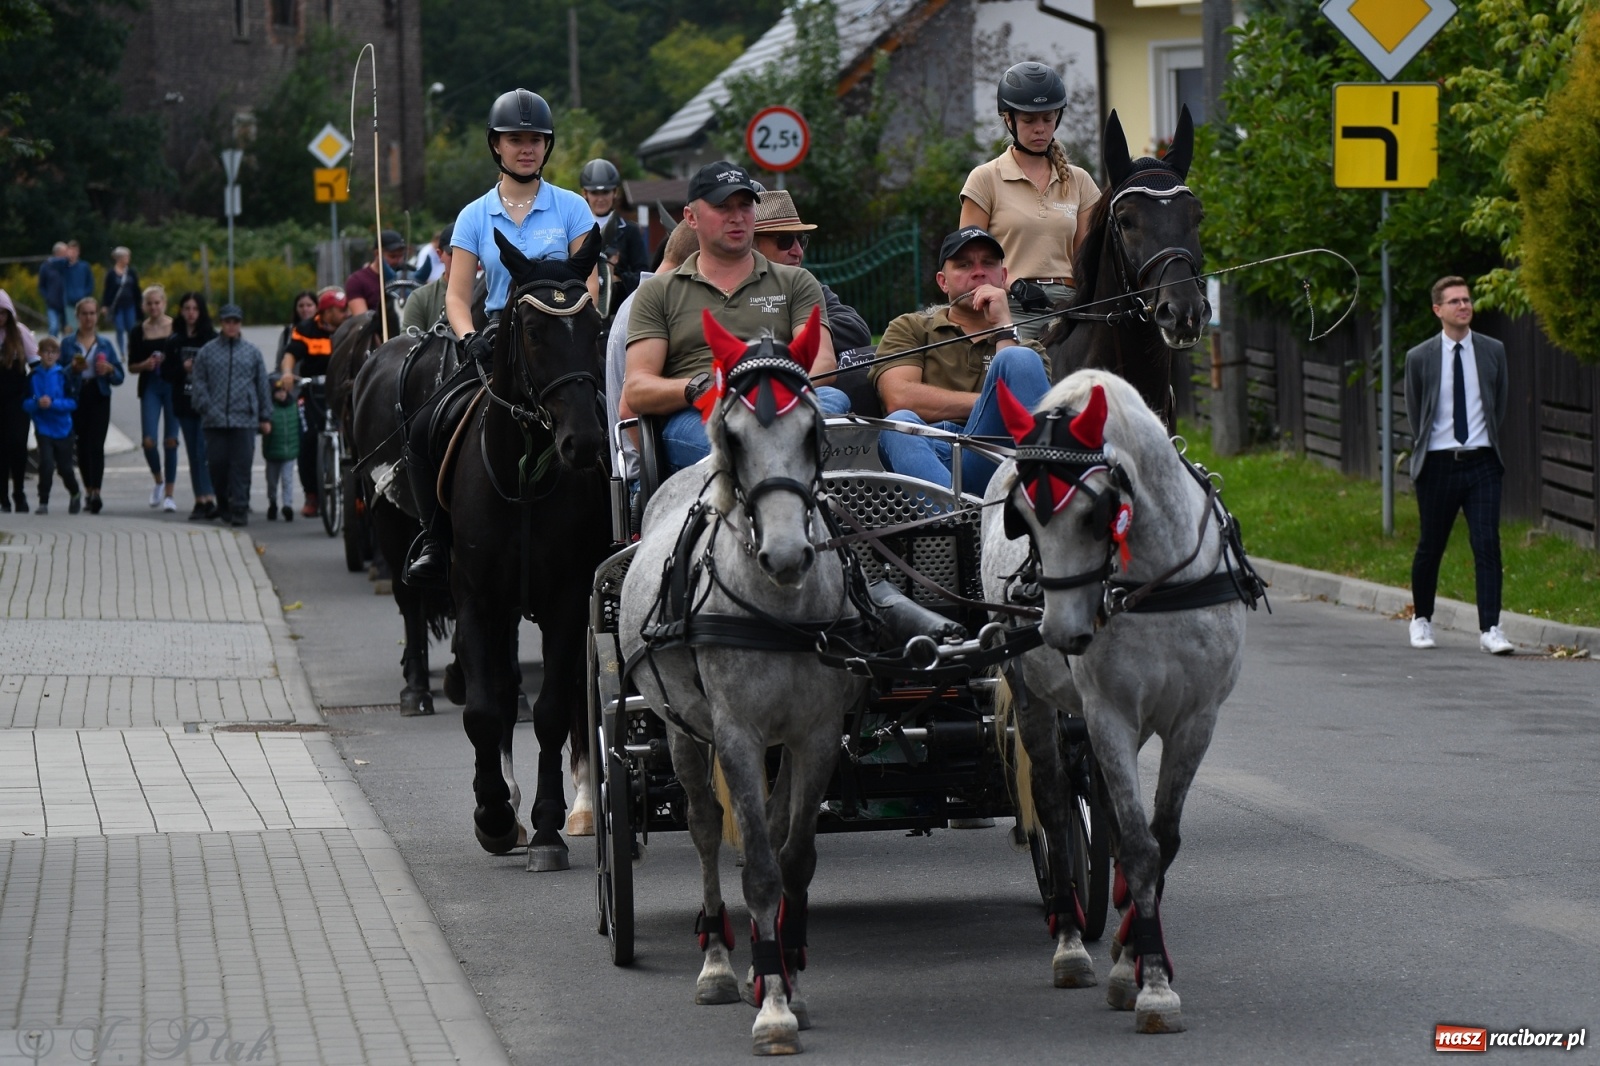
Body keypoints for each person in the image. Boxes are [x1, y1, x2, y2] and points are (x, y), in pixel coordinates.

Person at [403, 87, 598, 587]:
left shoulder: (573, 208)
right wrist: (469, 338)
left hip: (559, 340)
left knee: (607, 421)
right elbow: (456, 295)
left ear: (547, 147)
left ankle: (615, 528)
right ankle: (433, 537)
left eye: (536, 139)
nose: (526, 148)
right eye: (516, 139)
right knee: (426, 424)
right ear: (496, 146)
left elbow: (588, 285)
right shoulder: (473, 215)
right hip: (497, 340)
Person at [623, 159, 849, 474]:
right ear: (691, 217)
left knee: (832, 398)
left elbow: (822, 365)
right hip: (701, 413)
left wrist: (765, 392)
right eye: (723, 207)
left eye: (745, 206)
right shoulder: (658, 292)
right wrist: (697, 386)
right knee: (752, 445)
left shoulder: (797, 281)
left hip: (788, 402)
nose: (737, 217)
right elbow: (636, 389)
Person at [870, 227, 1051, 494]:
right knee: (900, 423)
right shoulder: (911, 328)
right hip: (931, 455)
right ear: (943, 282)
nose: (978, 272)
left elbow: (1033, 417)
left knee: (1019, 358)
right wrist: (991, 403)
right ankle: (960, 519)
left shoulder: (1028, 349)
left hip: (1002, 462)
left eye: (988, 263)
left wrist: (1003, 328)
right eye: (964, 265)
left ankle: (1050, 489)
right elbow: (899, 397)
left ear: (1002, 277)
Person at [1404, 276, 1513, 655]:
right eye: (1454, 301)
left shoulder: (1493, 350)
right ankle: (1421, 619)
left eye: (1467, 300)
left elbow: (1498, 403)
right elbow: (1416, 412)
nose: (1463, 306)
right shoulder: (1419, 357)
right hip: (1437, 464)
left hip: (1482, 461)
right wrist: (1437, 446)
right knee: (1431, 546)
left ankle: (1491, 628)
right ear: (1438, 310)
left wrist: (1481, 442)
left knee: (1487, 545)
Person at [960, 61, 1101, 343]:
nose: (1040, 129)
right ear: (1009, 120)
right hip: (1011, 305)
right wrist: (1014, 285)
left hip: (1070, 305)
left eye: (1048, 119)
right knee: (1021, 367)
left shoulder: (1080, 181)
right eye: (1029, 120)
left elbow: (1089, 259)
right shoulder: (985, 179)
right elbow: (967, 261)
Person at [606, 221, 700, 483]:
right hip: (644, 478)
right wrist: (659, 479)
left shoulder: (637, 299)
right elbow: (629, 409)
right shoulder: (656, 303)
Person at [751, 188, 873, 355]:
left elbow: (856, 330)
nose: (798, 251)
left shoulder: (803, 284)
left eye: (801, 240)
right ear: (752, 245)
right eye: (784, 241)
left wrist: (795, 331)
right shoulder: (727, 286)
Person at [190, 304, 271, 526]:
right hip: (214, 421)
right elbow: (199, 384)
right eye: (227, 322)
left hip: (244, 419)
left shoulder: (252, 352)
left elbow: (262, 384)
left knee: (241, 467)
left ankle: (240, 509)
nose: (231, 326)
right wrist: (207, 407)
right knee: (217, 466)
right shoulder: (207, 352)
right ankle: (223, 504)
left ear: (240, 324)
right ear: (222, 323)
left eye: (235, 322)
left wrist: (265, 416)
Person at [280, 287, 348, 517]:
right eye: (341, 310)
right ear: (328, 312)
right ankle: (312, 494)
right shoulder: (306, 329)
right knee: (307, 439)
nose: (345, 313)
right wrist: (287, 373)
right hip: (312, 391)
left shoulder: (349, 327)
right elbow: (291, 354)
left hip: (342, 391)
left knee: (354, 437)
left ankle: (356, 496)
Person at [59, 296, 124, 514]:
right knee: (82, 445)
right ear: (78, 317)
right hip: (77, 395)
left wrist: (110, 370)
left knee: (97, 445)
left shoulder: (104, 343)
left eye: (92, 313)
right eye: (84, 314)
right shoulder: (68, 343)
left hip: (99, 394)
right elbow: (58, 375)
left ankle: (96, 491)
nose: (89, 318)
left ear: (97, 316)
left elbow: (119, 375)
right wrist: (72, 369)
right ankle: (87, 489)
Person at [127, 285, 182, 512]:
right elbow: (131, 366)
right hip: (150, 385)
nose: (153, 307)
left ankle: (169, 493)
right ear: (144, 306)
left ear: (164, 303)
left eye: (157, 302)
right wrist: (145, 364)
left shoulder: (175, 327)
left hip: (171, 386)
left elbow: (183, 357)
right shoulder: (138, 330)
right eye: (149, 303)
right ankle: (158, 480)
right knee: (149, 439)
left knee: (171, 440)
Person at [170, 292, 219, 520]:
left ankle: (210, 497)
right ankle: (200, 498)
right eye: (187, 308)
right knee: (193, 453)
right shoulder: (175, 339)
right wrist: (183, 369)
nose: (191, 313)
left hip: (205, 404)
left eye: (195, 309)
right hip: (183, 402)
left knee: (204, 451)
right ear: (181, 311)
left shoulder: (210, 338)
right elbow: (166, 373)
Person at [22, 337, 81, 515]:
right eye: (45, 352)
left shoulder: (63, 375)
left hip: (63, 429)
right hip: (43, 427)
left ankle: (75, 492)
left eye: (53, 352)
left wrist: (53, 403)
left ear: (58, 355)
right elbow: (26, 402)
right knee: (46, 464)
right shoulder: (33, 376)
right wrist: (37, 403)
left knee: (65, 469)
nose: (49, 355)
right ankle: (43, 501)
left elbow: (72, 403)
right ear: (39, 353)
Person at [579, 158, 649, 305]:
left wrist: (616, 277)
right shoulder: (575, 230)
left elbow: (643, 276)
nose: (600, 198)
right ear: (585, 193)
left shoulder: (631, 231)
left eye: (605, 192)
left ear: (615, 192)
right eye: (594, 193)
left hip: (618, 309)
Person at [0, 289, 39, 512]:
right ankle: (3, 496)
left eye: (3, 313)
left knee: (17, 444)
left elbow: (35, 364)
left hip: (17, 398)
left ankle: (19, 492)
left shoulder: (20, 333)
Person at [401, 224, 452, 333]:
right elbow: (407, 346)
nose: (461, 259)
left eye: (468, 253)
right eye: (452, 253)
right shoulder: (420, 298)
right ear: (440, 254)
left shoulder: (487, 296)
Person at [345, 230, 406, 317]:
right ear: (377, 253)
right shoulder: (356, 281)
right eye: (392, 256)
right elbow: (362, 319)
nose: (398, 261)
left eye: (401, 256)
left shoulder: (407, 278)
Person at [263, 377, 300, 521]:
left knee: (287, 480)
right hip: (272, 453)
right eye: (278, 391)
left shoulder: (293, 406)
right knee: (272, 482)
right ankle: (272, 502)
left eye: (284, 390)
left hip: (289, 452)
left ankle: (287, 505)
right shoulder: (270, 408)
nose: (282, 394)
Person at [102, 247, 142, 358]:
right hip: (117, 306)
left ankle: (131, 349)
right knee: (119, 328)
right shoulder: (111, 273)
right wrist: (105, 305)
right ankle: (122, 351)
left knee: (131, 328)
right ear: (119, 258)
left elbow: (136, 289)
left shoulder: (131, 272)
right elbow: (107, 290)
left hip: (130, 305)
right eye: (126, 257)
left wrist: (141, 302)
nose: (128, 259)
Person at [275, 290, 317, 364]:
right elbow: (279, 363)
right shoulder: (287, 332)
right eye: (301, 306)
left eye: (309, 305)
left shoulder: (325, 332)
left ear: (317, 308)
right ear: (296, 308)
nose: (305, 309)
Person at [60, 242, 96, 328]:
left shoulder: (84, 266)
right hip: (69, 302)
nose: (72, 253)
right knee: (73, 327)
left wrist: (85, 294)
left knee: (84, 325)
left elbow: (90, 283)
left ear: (78, 252)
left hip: (82, 301)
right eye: (70, 251)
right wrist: (65, 259)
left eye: (74, 251)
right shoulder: (64, 267)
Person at [38, 243, 68, 337]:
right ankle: (52, 348)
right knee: (53, 327)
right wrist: (48, 297)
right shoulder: (46, 266)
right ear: (58, 253)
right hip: (52, 303)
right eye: (64, 252)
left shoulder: (68, 266)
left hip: (67, 302)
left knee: (68, 330)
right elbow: (41, 285)